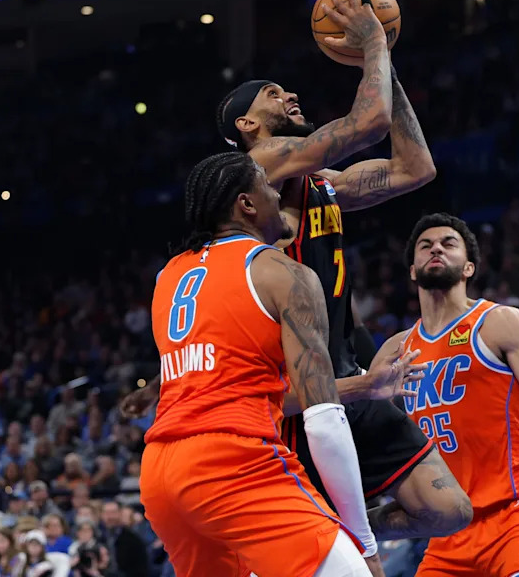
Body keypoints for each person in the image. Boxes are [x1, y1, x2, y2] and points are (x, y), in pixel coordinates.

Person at [121, 0, 473, 545]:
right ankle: (338, 541)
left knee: (449, 512)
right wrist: (373, 45)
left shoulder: (321, 184)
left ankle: (347, 533)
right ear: (246, 126)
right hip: (298, 398)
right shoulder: (260, 164)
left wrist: (383, 61)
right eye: (271, 94)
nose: (289, 95)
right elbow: (366, 123)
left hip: (347, 373)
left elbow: (416, 166)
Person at [137, 151, 388, 577]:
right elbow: (324, 418)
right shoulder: (280, 272)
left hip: (161, 471)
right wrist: (365, 544)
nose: (279, 194)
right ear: (246, 204)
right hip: (234, 459)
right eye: (269, 187)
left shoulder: (167, 277)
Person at [380, 213, 519, 576]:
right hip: (449, 528)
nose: (436, 247)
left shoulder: (499, 322)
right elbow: (366, 430)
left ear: (469, 268)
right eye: (426, 245)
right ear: (412, 269)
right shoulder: (396, 350)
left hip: (518, 512)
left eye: (448, 243)